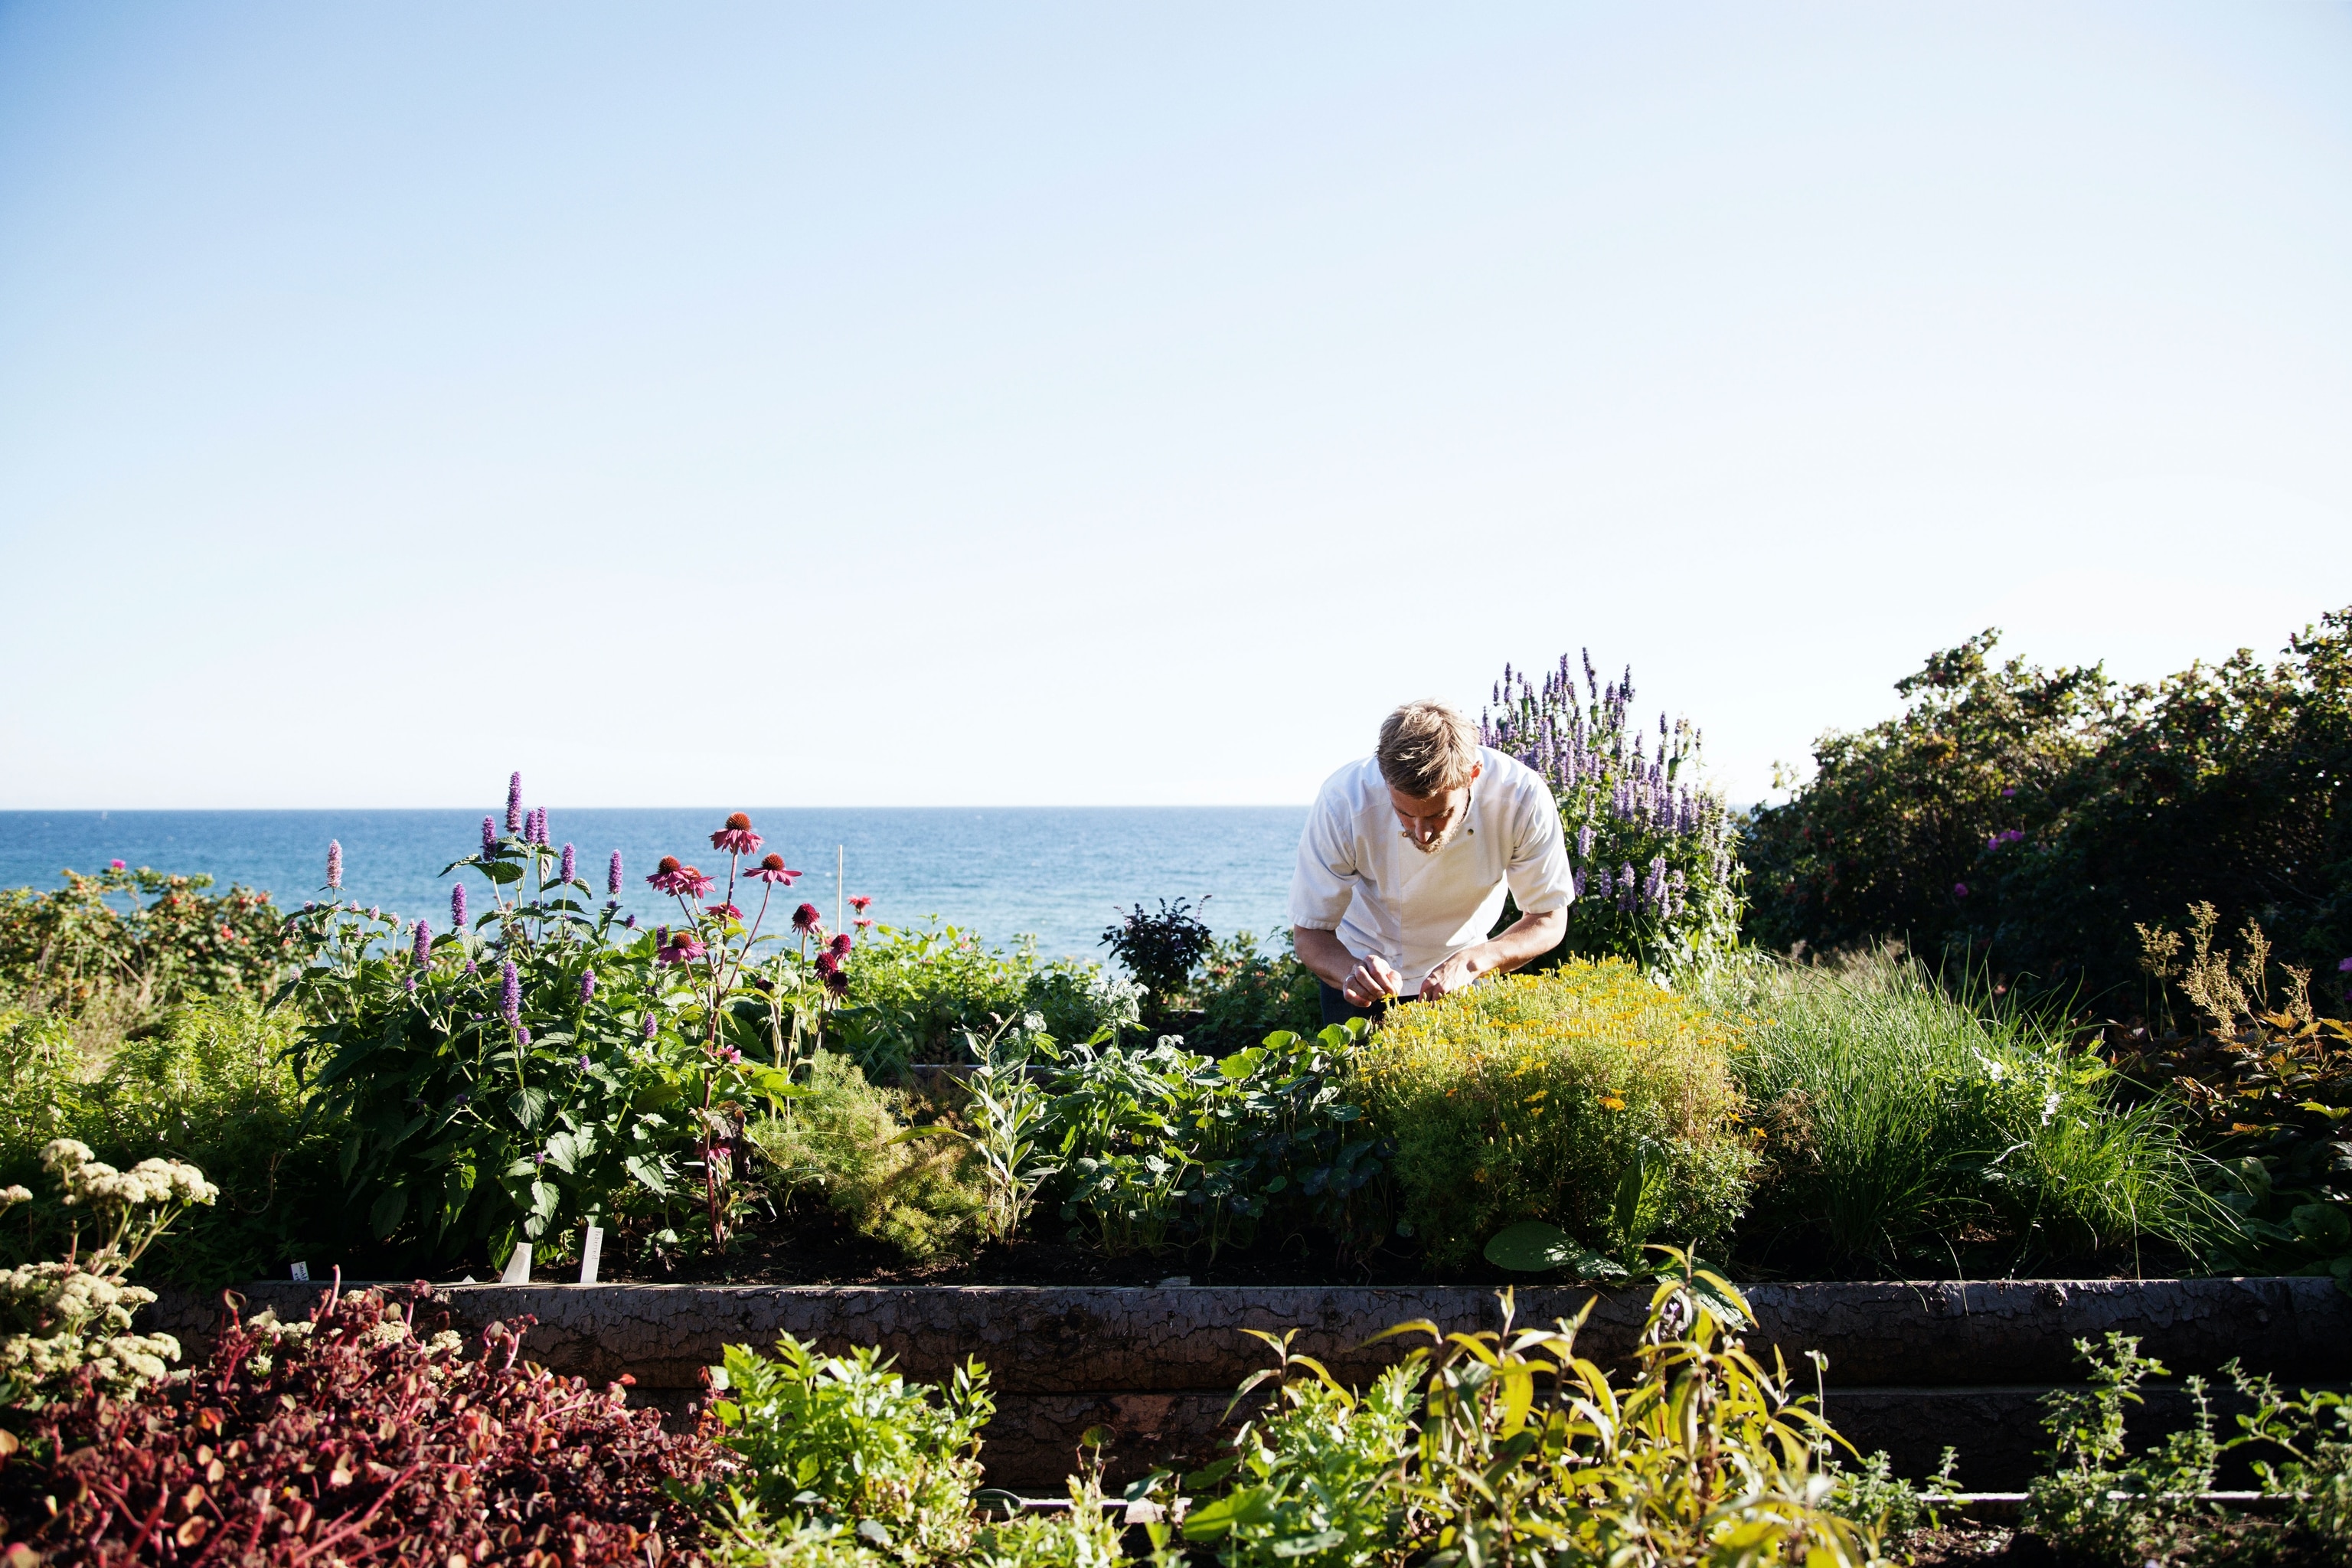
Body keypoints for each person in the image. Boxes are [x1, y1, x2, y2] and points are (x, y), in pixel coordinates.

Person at [1290, 698, 1574, 1025]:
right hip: (1360, 968)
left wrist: (1474, 961)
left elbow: (1548, 917)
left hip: (1465, 977)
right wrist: (1351, 972)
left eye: (1439, 815)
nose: (1422, 834)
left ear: (1473, 775)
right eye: (1405, 814)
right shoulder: (1342, 800)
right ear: (1385, 781)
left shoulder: (1521, 796)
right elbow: (1310, 934)